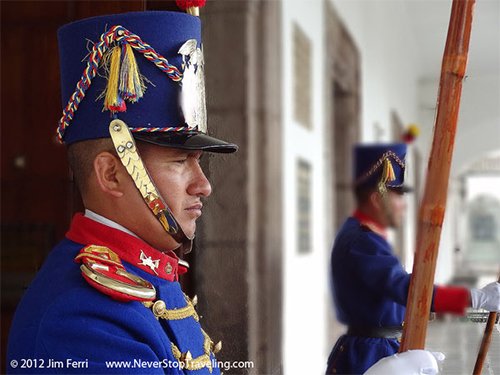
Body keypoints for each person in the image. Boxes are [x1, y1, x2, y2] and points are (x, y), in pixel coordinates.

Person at [7, 8, 237, 374]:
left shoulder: (150, 274)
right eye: (180, 162)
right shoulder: (80, 320)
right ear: (112, 174)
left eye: (197, 160)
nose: (203, 184)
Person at [326, 143, 500, 374]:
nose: (403, 206)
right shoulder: (362, 241)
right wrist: (475, 298)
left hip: (379, 348)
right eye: (398, 197)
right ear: (378, 199)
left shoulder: (361, 235)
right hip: (369, 356)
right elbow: (409, 290)